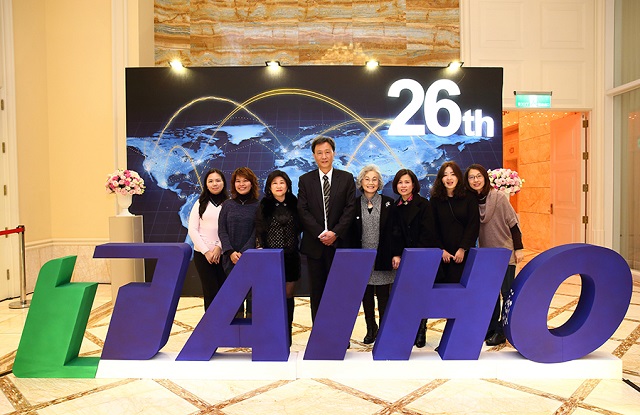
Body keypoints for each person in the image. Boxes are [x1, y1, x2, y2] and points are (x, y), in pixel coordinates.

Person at [297, 136, 356, 325]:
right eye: (319, 153)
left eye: (327, 152)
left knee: (339, 291)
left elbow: (350, 209)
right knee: (317, 292)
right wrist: (320, 233)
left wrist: (335, 233)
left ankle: (338, 331)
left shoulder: (346, 178)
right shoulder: (305, 180)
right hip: (315, 245)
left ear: (334, 154)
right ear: (314, 156)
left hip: (339, 245)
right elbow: (302, 210)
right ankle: (319, 332)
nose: (324, 156)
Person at [465, 163, 524, 346]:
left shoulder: (498, 197)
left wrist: (519, 248)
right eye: (471, 177)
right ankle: (491, 328)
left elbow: (513, 224)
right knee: (490, 294)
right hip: (486, 255)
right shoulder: (471, 202)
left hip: (504, 252)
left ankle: (503, 331)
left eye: (478, 176)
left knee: (506, 293)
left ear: (485, 178)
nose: (475, 180)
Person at [389, 168, 438, 348]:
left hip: (420, 258)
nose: (403, 186)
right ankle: (407, 329)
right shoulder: (394, 206)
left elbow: (428, 233)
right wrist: (396, 253)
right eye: (400, 182)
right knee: (405, 296)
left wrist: (415, 255)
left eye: (407, 182)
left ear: (413, 184)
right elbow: (393, 233)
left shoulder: (424, 205)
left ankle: (421, 330)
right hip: (402, 260)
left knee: (420, 295)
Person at [349, 165, 395, 344]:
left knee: (384, 296)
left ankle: (384, 329)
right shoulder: (353, 204)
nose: (371, 182)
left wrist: (395, 254)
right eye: (367, 179)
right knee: (366, 296)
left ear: (380, 183)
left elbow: (395, 232)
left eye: (374, 179)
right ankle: (371, 328)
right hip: (362, 259)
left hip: (382, 256)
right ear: (361, 182)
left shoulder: (388, 203)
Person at [255, 170, 301, 346]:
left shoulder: (295, 203)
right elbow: (259, 231)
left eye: (282, 182)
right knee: (272, 296)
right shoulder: (264, 205)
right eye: (275, 183)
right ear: (269, 187)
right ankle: (272, 335)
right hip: (270, 258)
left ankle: (287, 334)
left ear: (287, 185)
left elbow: (301, 227)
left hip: (291, 257)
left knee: (288, 295)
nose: (279, 186)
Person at [218, 166, 259, 318]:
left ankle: (251, 327)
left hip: (251, 258)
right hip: (230, 258)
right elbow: (222, 230)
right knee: (234, 297)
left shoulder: (258, 205)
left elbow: (257, 231)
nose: (241, 184)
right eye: (238, 181)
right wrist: (230, 252)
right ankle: (236, 328)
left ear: (252, 183)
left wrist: (244, 252)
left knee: (251, 295)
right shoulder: (227, 205)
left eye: (245, 181)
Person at [430, 161, 480, 284]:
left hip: (464, 253)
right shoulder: (435, 199)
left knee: (462, 286)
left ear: (458, 176)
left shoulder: (469, 197)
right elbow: (432, 227)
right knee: (442, 288)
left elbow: (473, 225)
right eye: (445, 175)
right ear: (441, 179)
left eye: (452, 174)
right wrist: (441, 250)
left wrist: (463, 248)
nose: (449, 178)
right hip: (442, 255)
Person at [187, 168, 229, 311]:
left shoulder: (229, 204)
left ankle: (225, 322)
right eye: (210, 181)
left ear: (223, 183)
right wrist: (206, 252)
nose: (214, 184)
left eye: (218, 180)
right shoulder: (200, 203)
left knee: (224, 290)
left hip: (223, 254)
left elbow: (229, 229)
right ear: (206, 184)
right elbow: (192, 229)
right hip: (202, 255)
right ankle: (211, 324)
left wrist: (219, 247)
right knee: (210, 290)